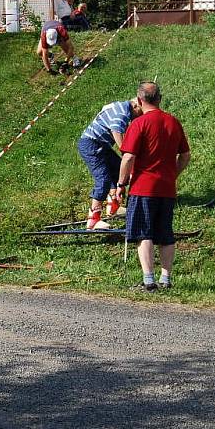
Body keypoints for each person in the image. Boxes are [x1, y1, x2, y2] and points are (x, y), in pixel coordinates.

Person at [117, 82, 190, 291]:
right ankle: (166, 279)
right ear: (160, 98)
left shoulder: (139, 124)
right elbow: (185, 155)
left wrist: (121, 183)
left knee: (143, 233)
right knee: (165, 234)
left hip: (143, 188)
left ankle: (149, 280)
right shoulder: (173, 122)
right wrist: (173, 174)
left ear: (139, 101)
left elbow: (128, 157)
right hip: (167, 189)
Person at [79, 98, 143, 230]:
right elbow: (116, 131)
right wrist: (126, 153)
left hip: (101, 144)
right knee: (103, 180)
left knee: (118, 168)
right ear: (136, 105)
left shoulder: (119, 106)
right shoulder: (122, 114)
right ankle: (93, 220)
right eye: (140, 113)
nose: (139, 117)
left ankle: (113, 206)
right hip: (91, 144)